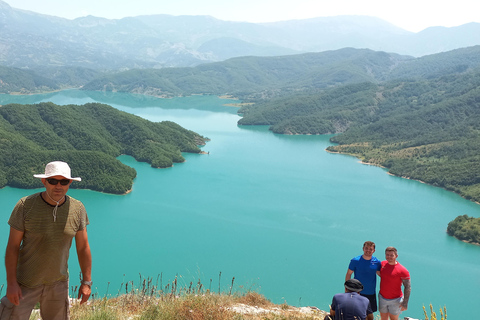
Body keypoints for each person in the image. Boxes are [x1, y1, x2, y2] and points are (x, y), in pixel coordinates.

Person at [0, 161, 92, 320]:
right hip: (25, 283)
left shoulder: (77, 209)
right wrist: (12, 283)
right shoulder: (25, 206)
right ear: (44, 181)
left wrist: (86, 282)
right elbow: (13, 247)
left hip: (58, 283)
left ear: (69, 182)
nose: (58, 186)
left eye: (63, 181)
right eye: (53, 181)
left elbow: (83, 247)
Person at [345, 241, 381, 312]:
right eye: (366, 248)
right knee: (355, 311)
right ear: (363, 248)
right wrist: (347, 288)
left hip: (370, 293)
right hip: (356, 291)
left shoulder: (377, 262)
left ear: (374, 251)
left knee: (369, 313)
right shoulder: (355, 260)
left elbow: (381, 274)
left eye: (370, 249)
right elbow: (349, 274)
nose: (368, 250)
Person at [379, 247, 411, 320]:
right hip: (382, 297)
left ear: (396, 256)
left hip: (396, 300)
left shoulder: (403, 270)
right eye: (387, 255)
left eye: (391, 255)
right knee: (383, 318)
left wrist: (405, 303)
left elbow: (407, 287)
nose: (389, 257)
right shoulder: (382, 264)